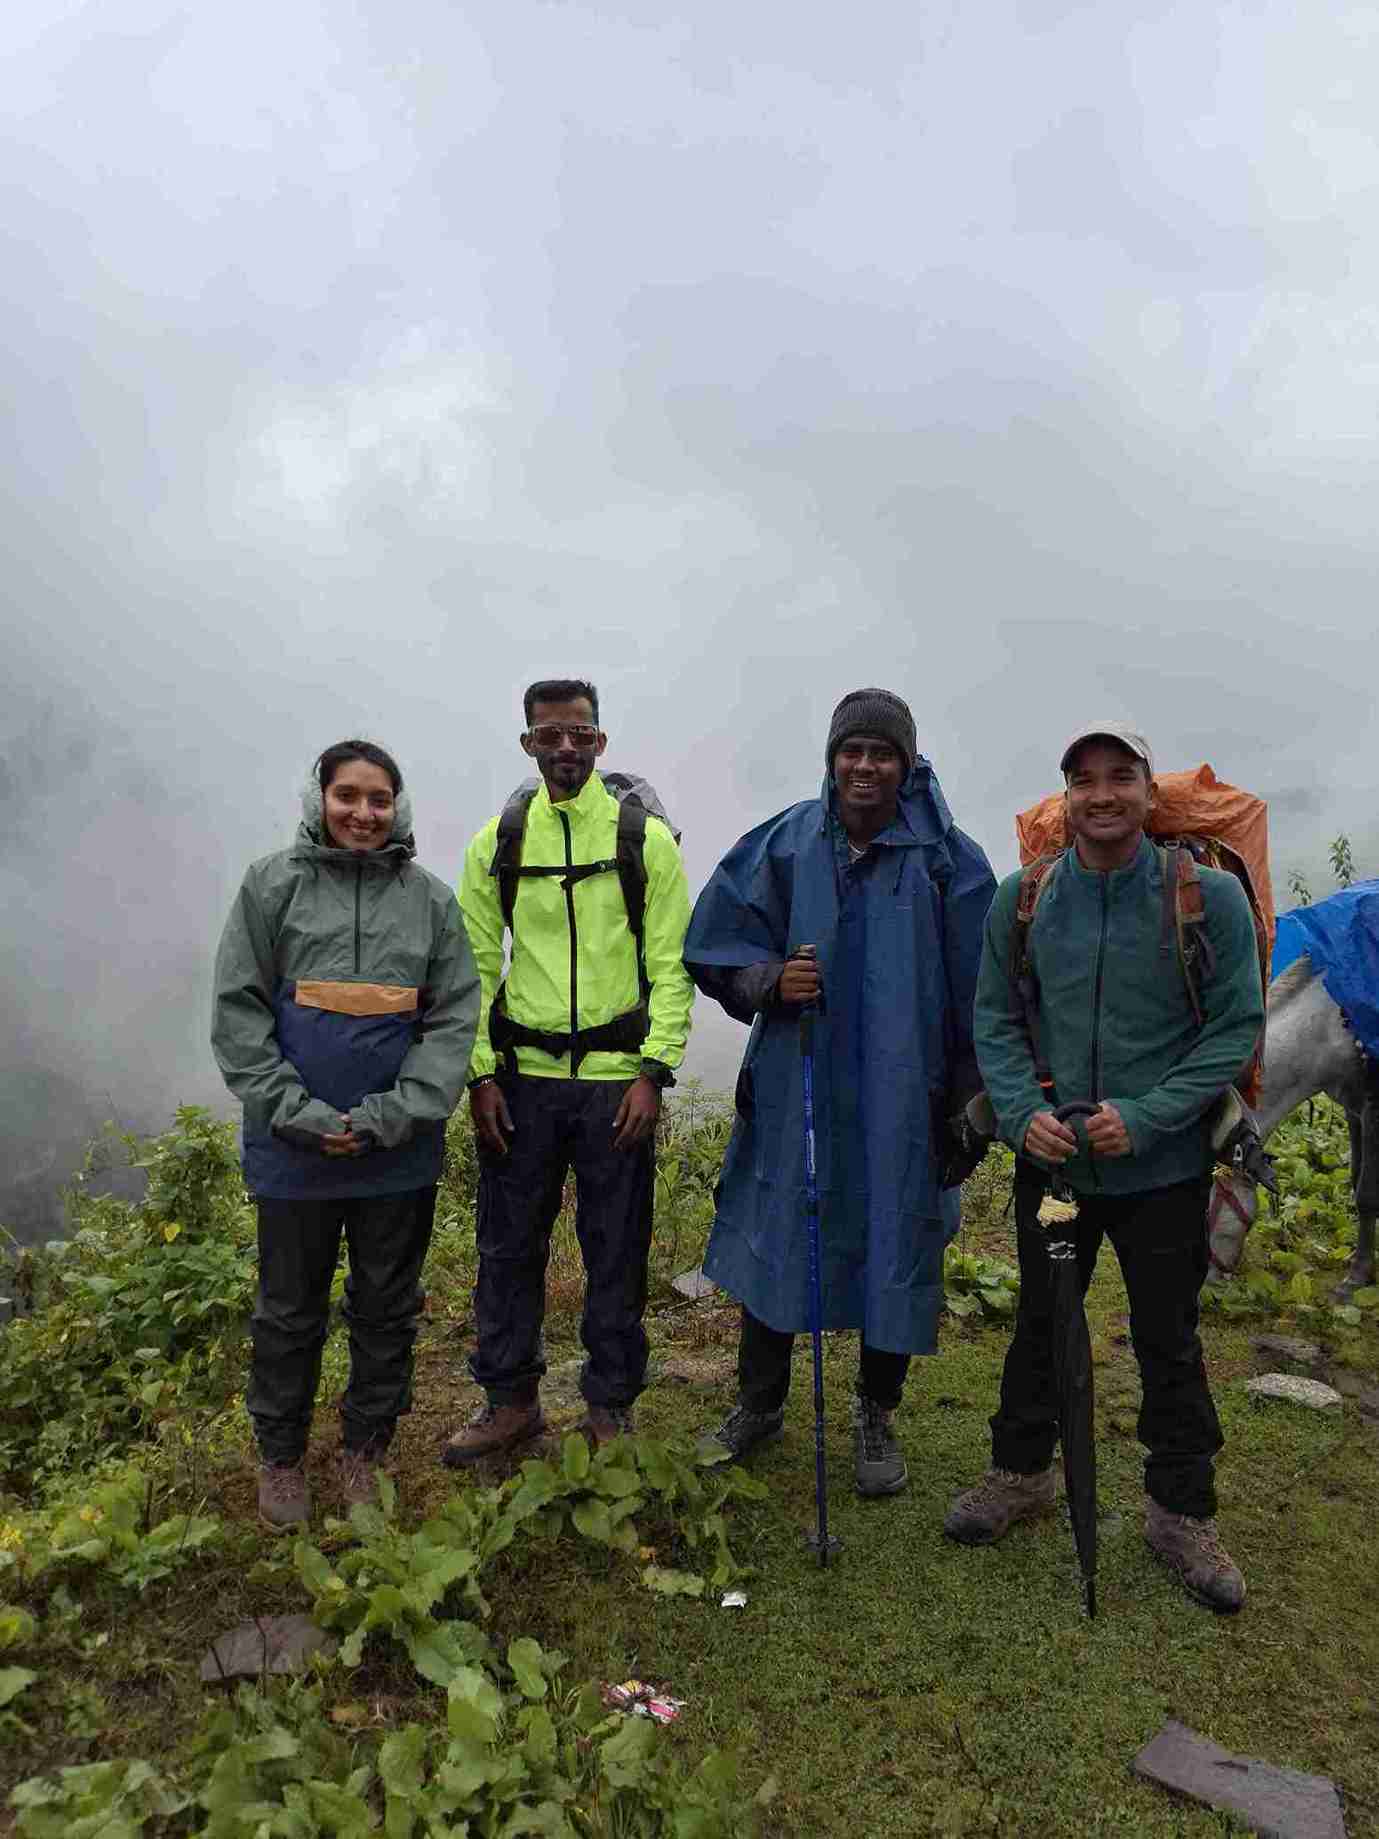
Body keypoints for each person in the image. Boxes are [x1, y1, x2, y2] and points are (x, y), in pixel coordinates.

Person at [946, 723, 1264, 1613]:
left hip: (1162, 1169)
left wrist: (1152, 1114)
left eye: (1119, 777)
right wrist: (1018, 1116)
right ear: (1065, 798)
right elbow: (996, 1023)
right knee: (1040, 1325)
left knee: (1168, 1335)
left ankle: (1179, 1511)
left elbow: (1234, 1029)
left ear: (1146, 791)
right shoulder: (1024, 898)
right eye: (1082, 780)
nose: (1100, 795)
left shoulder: (1205, 898)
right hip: (1052, 1166)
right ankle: (1020, 1473)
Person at [685, 689, 996, 1496]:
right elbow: (713, 940)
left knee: (896, 1237)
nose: (864, 766)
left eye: (881, 753)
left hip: (905, 1093)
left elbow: (984, 993)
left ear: (906, 763)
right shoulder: (788, 842)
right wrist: (766, 978)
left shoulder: (947, 862)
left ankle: (875, 1411)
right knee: (783, 1232)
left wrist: (967, 1105)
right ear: (831, 758)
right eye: (850, 750)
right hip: (802, 1085)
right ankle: (759, 1403)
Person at [211, 740, 479, 1528]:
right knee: (288, 1309)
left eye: (379, 798)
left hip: (396, 1155)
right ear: (317, 798)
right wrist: (299, 1114)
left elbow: (453, 1017)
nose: (364, 812)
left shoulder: (430, 901)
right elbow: (239, 1012)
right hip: (292, 1154)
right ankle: (282, 1455)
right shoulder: (270, 887)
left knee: (386, 1306)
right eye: (347, 795)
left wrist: (388, 1117)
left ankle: (365, 1449)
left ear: (398, 807)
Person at [442, 680, 693, 1462]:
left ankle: (609, 1403)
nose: (565, 749)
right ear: (527, 744)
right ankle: (509, 1401)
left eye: (580, 735)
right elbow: (473, 967)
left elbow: (670, 962)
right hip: (522, 1078)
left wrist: (654, 1070)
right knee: (507, 1245)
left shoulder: (643, 840)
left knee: (616, 1246)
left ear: (600, 742)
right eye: (548, 735)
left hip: (618, 1078)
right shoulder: (498, 841)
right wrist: (480, 1074)